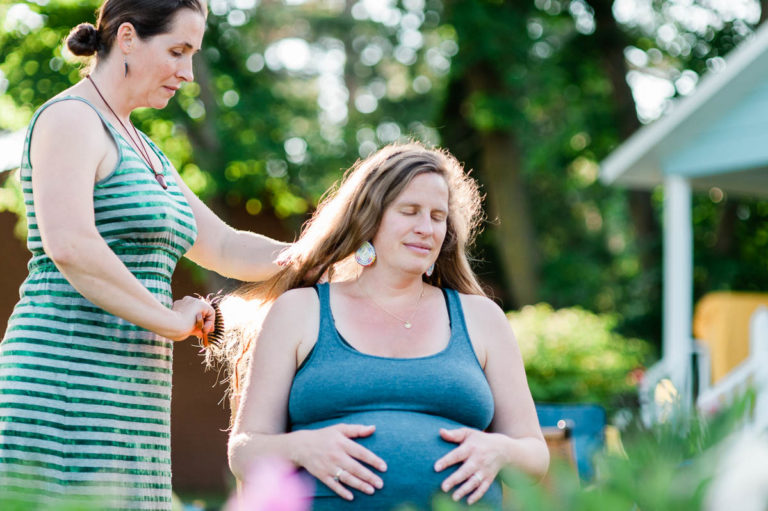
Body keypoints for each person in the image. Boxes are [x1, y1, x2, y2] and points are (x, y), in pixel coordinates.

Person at [0, 0, 287, 509]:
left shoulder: (143, 146)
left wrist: (331, 252)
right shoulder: (70, 118)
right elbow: (71, 243)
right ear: (127, 37)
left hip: (133, 397)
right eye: (177, 51)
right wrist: (169, 321)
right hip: (64, 386)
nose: (188, 72)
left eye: (193, 54)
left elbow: (224, 245)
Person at [225, 143, 549, 510]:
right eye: (409, 211)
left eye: (438, 216)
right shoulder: (300, 311)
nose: (426, 228)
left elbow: (534, 454)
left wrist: (500, 450)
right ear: (369, 217)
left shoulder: (482, 318)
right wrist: (300, 447)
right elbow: (244, 450)